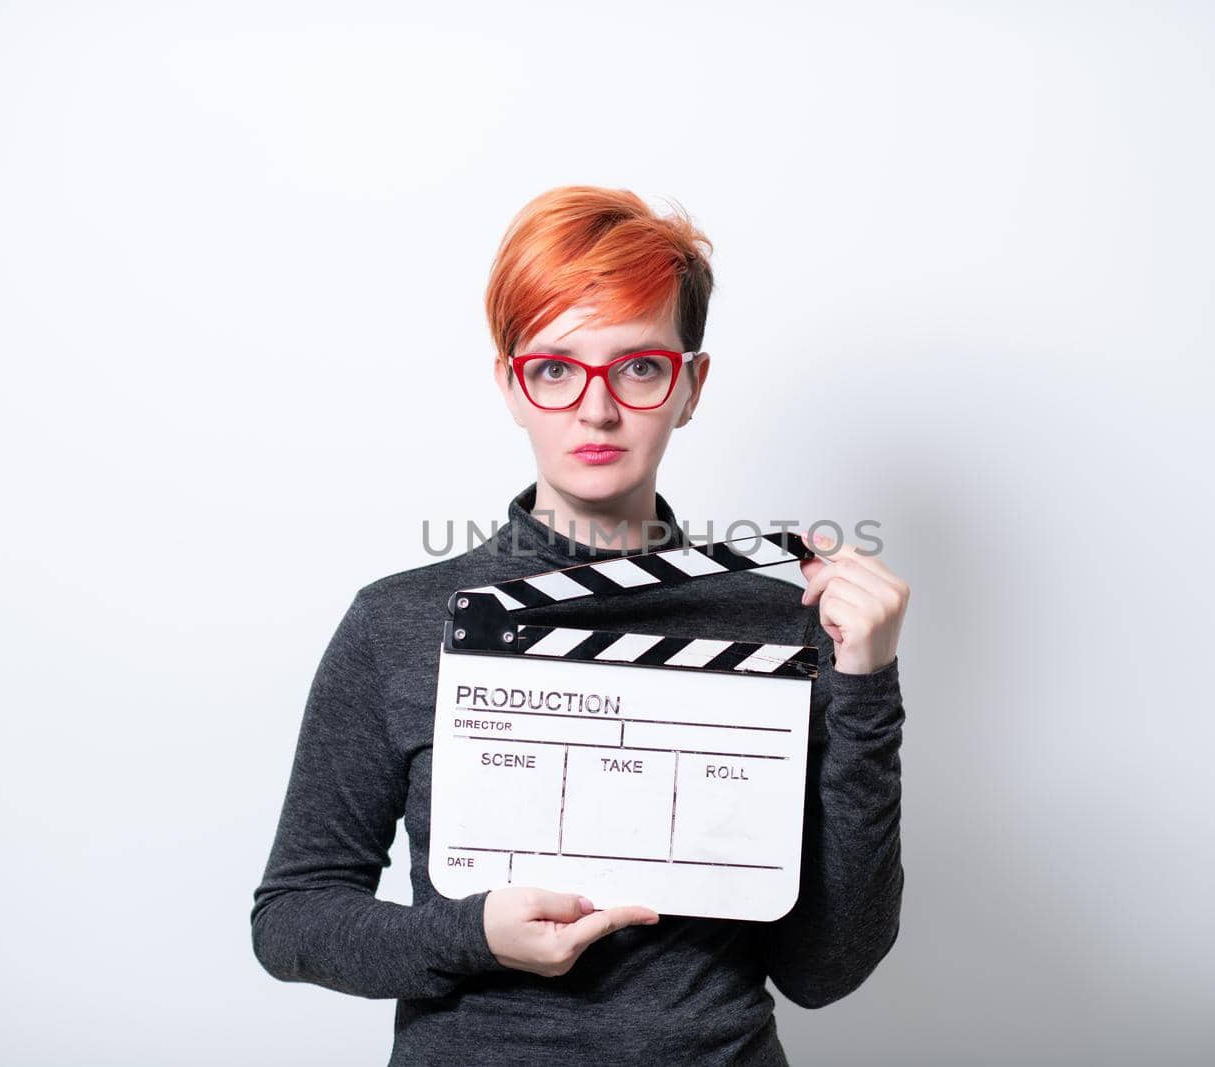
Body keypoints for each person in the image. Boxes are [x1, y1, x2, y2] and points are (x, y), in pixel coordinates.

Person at [250, 186, 910, 1066]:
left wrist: (866, 685)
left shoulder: (780, 624)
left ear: (690, 385)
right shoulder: (397, 623)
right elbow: (292, 916)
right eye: (556, 368)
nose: (596, 410)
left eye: (638, 366)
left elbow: (826, 969)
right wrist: (472, 934)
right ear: (511, 385)